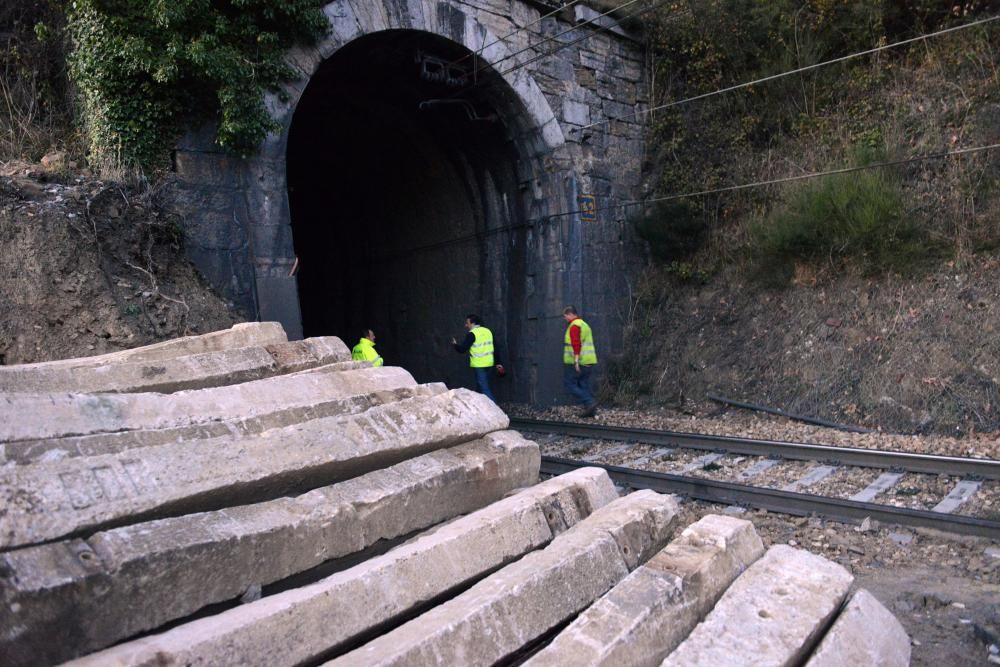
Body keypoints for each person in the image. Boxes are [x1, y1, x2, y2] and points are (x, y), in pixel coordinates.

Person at [452, 314, 503, 402]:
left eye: (467, 323)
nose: (466, 325)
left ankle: (496, 410)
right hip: (489, 363)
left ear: (473, 323)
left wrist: (455, 345)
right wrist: (498, 363)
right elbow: (496, 347)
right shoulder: (488, 331)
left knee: (484, 389)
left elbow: (463, 349)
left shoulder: (472, 334)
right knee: (480, 387)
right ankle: (477, 407)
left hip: (479, 365)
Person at [562, 305, 598, 417]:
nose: (565, 319)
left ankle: (590, 402)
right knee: (583, 384)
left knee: (570, 384)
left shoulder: (574, 326)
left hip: (579, 361)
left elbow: (576, 344)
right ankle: (590, 410)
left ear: (571, 314)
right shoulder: (584, 325)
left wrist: (576, 361)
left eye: (566, 316)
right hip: (589, 360)